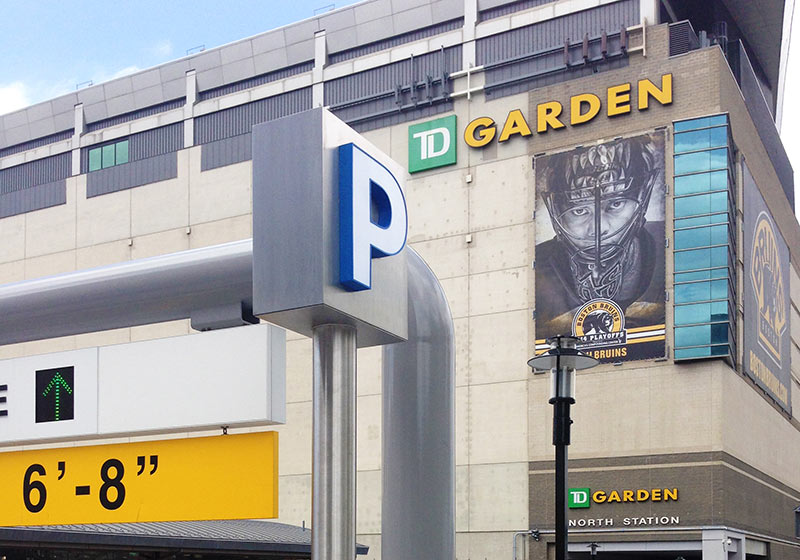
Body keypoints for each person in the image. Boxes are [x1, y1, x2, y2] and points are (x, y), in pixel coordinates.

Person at [535, 134, 665, 337]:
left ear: (643, 194)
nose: (598, 229)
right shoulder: (536, 272)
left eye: (615, 204)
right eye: (579, 210)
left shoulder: (672, 252)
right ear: (554, 208)